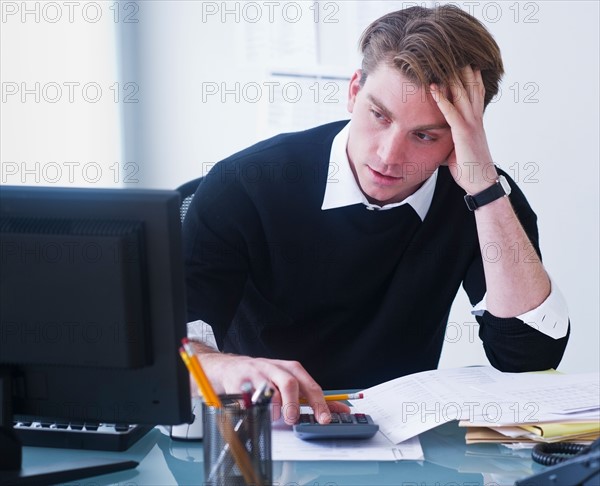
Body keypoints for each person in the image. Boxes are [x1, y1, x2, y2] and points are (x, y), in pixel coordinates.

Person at [182, 5, 569, 425]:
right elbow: (177, 352)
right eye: (378, 115)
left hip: (405, 438)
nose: (389, 155)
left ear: (462, 136)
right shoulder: (244, 184)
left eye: (424, 135)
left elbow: (531, 357)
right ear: (353, 91)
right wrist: (229, 368)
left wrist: (485, 191)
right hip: (269, 431)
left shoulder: (482, 198)